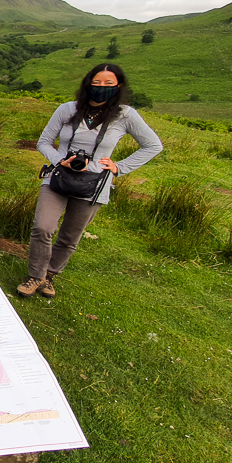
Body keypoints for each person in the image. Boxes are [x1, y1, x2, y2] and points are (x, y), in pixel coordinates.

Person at [17, 63, 162, 299]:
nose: (101, 88)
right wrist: (59, 160)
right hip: (59, 178)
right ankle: (35, 275)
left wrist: (119, 168)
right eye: (96, 83)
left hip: (94, 184)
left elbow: (153, 145)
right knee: (43, 227)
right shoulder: (67, 110)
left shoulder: (125, 115)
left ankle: (49, 276)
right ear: (87, 84)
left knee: (70, 236)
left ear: (119, 86)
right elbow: (43, 141)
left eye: (108, 84)